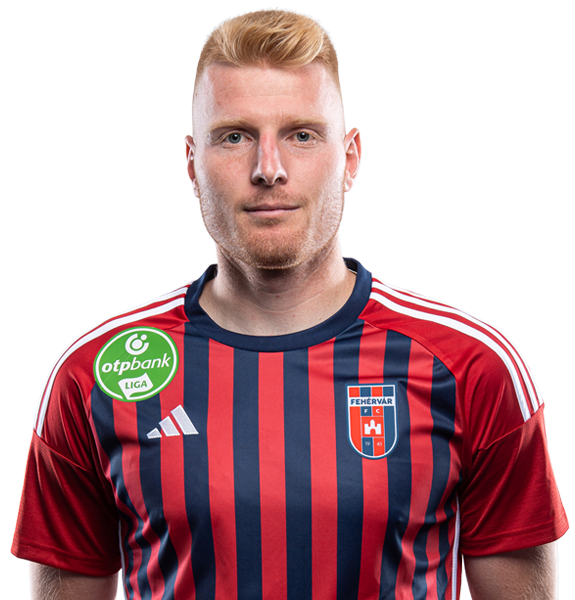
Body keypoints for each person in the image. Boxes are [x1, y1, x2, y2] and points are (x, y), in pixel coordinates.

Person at [12, 9, 568, 600]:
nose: (268, 170)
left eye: (302, 135)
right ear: (191, 161)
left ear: (350, 157)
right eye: (235, 136)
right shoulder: (97, 373)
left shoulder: (472, 366)